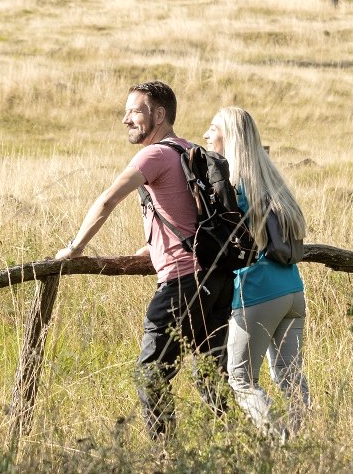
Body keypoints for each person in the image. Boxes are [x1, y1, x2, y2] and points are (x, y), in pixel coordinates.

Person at [53, 80, 232, 437]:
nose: (126, 120)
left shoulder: (153, 155)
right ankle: (232, 450)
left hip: (182, 282)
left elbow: (107, 200)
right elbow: (190, 214)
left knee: (150, 374)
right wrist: (153, 247)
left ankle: (165, 455)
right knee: (212, 375)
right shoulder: (190, 151)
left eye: (135, 111)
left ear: (159, 114)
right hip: (216, 278)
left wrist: (74, 248)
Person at [203, 107, 310, 440]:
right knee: (289, 377)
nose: (206, 135)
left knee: (241, 379)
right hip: (292, 290)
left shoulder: (233, 187)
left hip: (256, 291)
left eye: (212, 128)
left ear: (228, 137)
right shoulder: (273, 182)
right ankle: (301, 442)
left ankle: (278, 445)